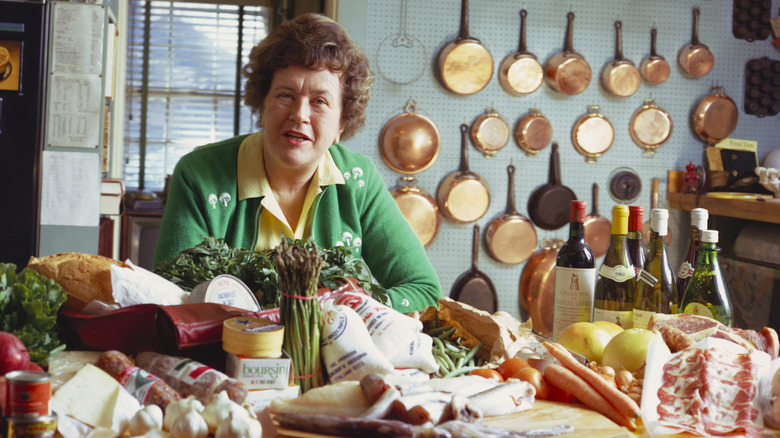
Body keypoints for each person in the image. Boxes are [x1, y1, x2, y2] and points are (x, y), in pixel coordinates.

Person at [153, 13, 441, 313]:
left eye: (319, 101)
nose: (299, 114)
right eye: (285, 95)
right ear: (262, 105)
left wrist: (355, 307)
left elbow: (424, 291)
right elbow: (171, 293)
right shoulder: (199, 173)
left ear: (342, 122)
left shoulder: (359, 180)